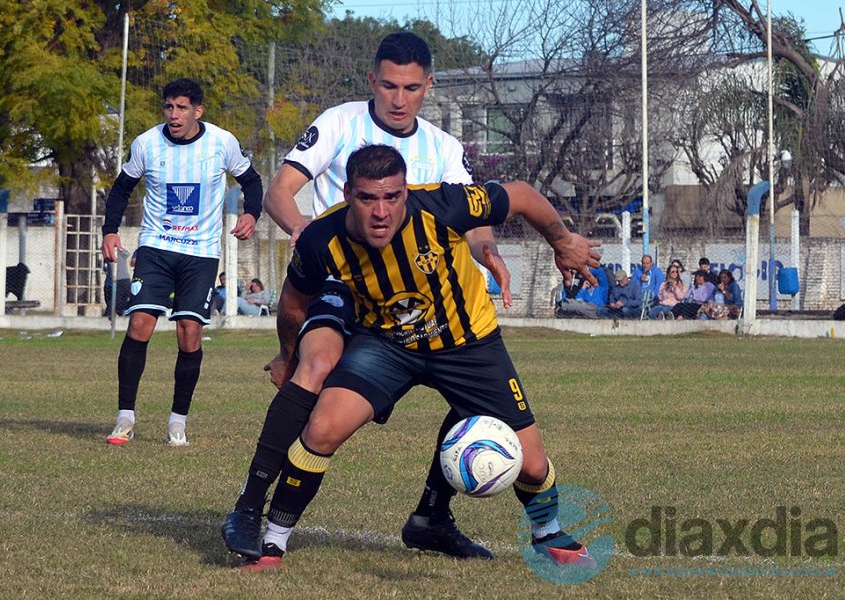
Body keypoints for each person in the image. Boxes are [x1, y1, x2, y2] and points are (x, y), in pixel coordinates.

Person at [227, 144, 602, 571]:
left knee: (532, 465)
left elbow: (520, 194)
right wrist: (286, 355)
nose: (381, 211)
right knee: (324, 425)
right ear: (348, 193)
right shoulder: (321, 238)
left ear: (406, 192)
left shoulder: (442, 205)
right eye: (368, 198)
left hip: (468, 344)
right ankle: (273, 543)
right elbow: (294, 300)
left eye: (392, 197)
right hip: (388, 343)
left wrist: (562, 240)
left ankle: (547, 532)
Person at [223, 32, 512, 561]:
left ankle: (432, 516)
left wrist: (487, 251)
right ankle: (249, 505)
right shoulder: (339, 122)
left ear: (427, 86)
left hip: (416, 304)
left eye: (410, 87)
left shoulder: (444, 148)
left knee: (475, 394)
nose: (398, 99)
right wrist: (307, 234)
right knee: (313, 367)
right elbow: (281, 192)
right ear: (371, 82)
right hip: (343, 286)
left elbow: (475, 221)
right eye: (387, 85)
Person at [100, 78, 263, 446]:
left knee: (189, 332)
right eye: (169, 107)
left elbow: (252, 180)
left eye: (182, 108)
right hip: (156, 247)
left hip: (201, 253)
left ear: (198, 111)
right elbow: (121, 188)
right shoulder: (147, 143)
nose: (174, 115)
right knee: (140, 323)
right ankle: (125, 417)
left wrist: (252, 214)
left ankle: (177, 422)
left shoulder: (222, 143)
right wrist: (110, 231)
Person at [103, 248, 132, 318]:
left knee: (116, 302)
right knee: (113, 301)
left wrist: (118, 248)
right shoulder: (106, 255)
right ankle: (115, 315)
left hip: (122, 280)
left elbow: (126, 254)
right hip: (111, 281)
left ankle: (108, 316)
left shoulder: (120, 252)